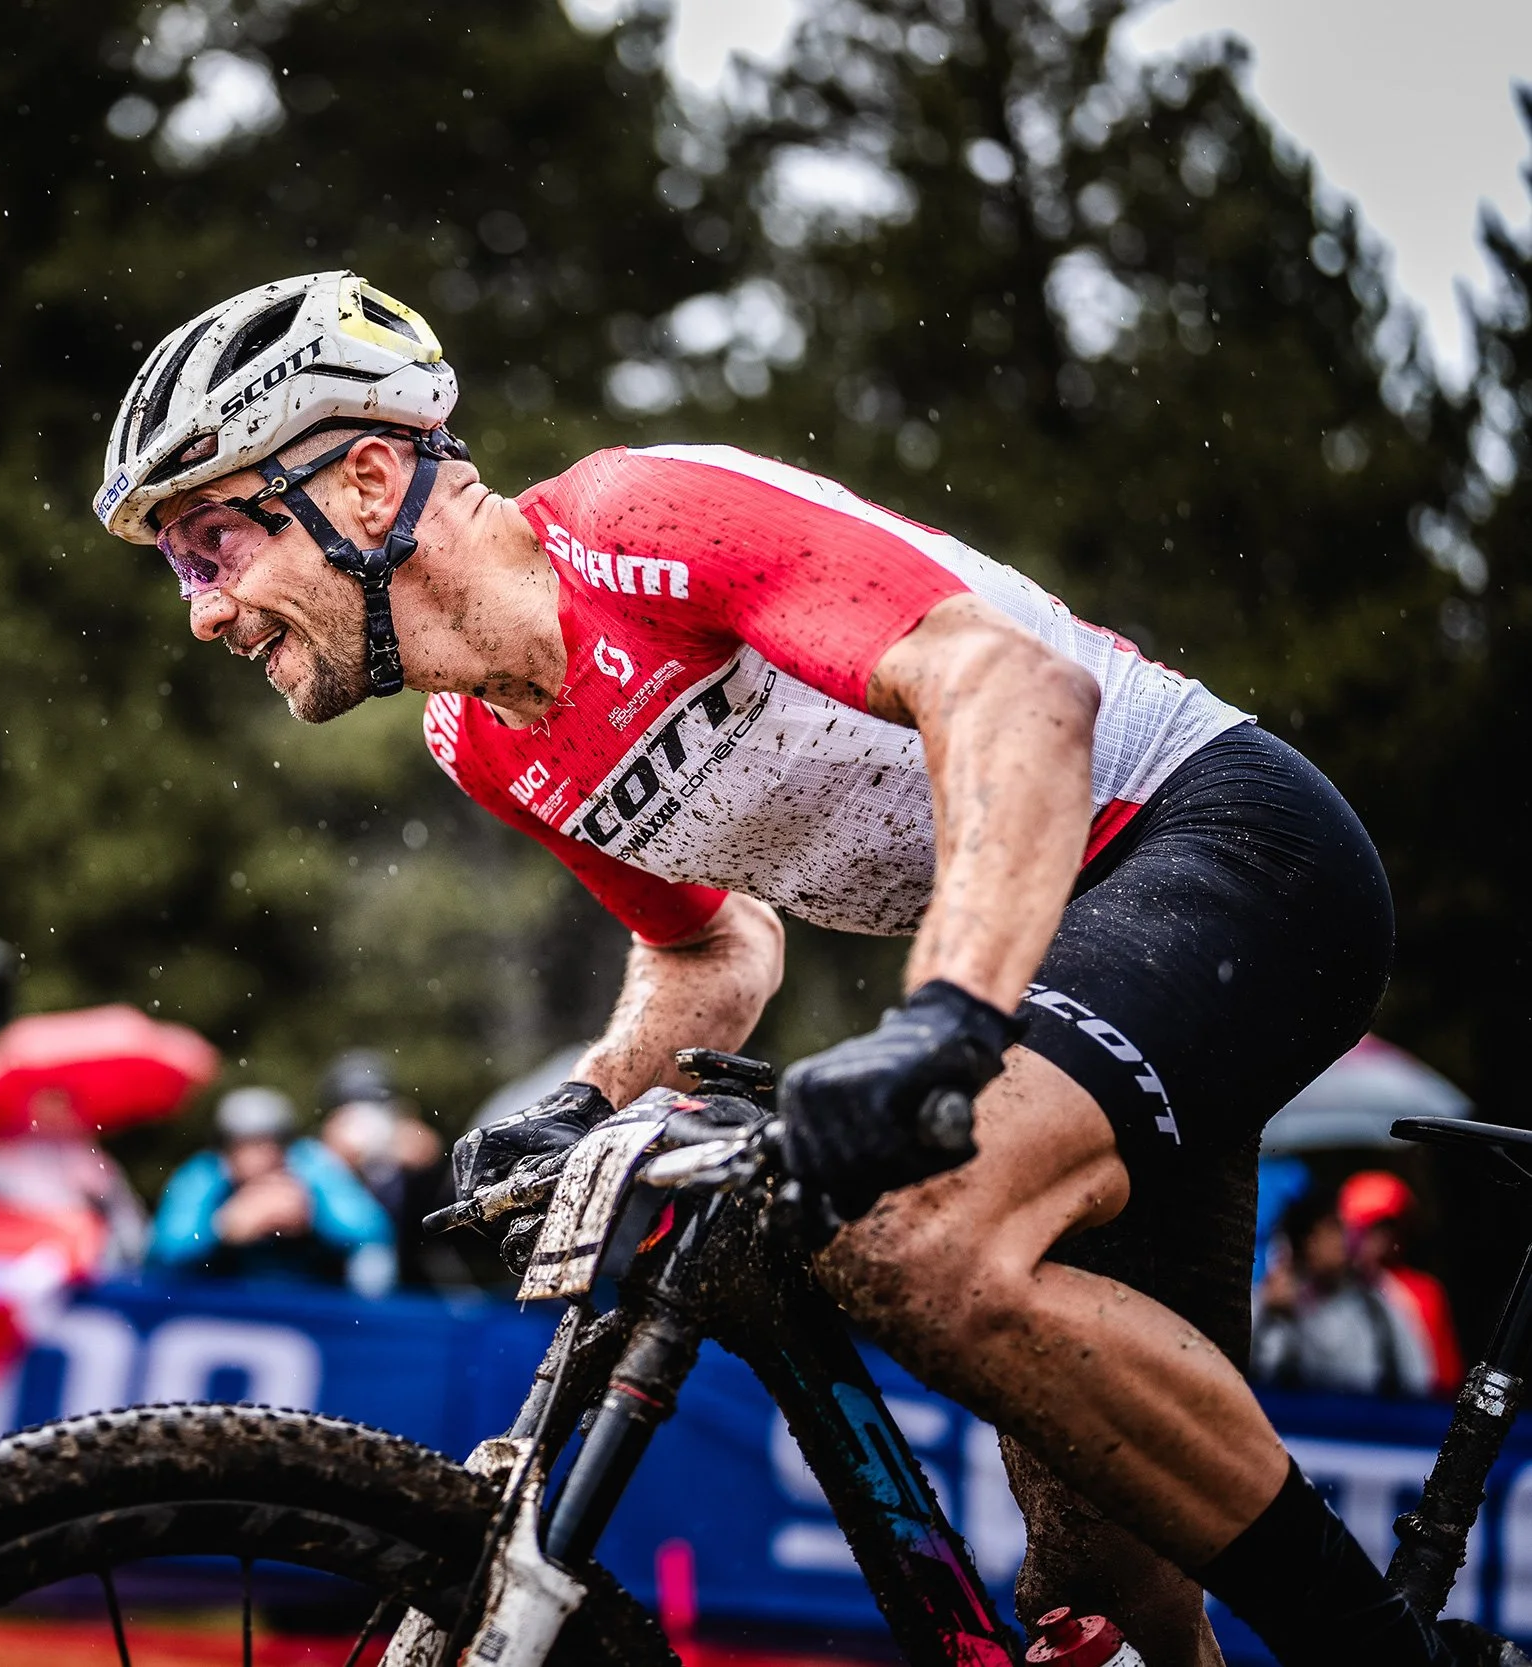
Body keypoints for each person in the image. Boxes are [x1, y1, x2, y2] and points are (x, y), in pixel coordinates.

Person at [93, 272, 1491, 1664]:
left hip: (1225, 850)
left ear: (367, 477)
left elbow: (1013, 688)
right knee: (1095, 1602)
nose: (205, 610)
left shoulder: (634, 520)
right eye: (181, 565)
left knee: (907, 1235)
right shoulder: (482, 739)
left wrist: (945, 1016)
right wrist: (586, 1093)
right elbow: (707, 941)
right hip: (1071, 959)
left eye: (214, 544)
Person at [148, 1086, 395, 1294]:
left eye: (268, 1144)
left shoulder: (311, 1166)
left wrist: (313, 1215)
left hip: (310, 1302)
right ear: (226, 1149)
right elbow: (164, 1251)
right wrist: (223, 1228)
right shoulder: (204, 1175)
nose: (259, 1158)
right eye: (245, 1145)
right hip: (219, 1303)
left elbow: (370, 1232)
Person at [1253, 1189, 1434, 1397]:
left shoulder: (1377, 1308)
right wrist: (1269, 1311)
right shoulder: (1270, 1306)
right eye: (1327, 1230)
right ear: (1302, 1242)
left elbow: (1418, 1379)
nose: (1338, 1240)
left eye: (1338, 1229)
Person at [0, 1087, 151, 1271]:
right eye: (47, 1103)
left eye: (62, 1104)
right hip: (11, 1261)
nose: (54, 1114)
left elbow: (129, 1226)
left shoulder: (94, 1163)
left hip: (88, 1268)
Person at [314, 1049, 455, 1286]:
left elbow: (446, 1222)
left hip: (408, 1293)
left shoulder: (408, 1163)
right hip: (331, 1294)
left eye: (375, 1112)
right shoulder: (314, 1163)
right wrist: (335, 1165)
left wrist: (434, 1162)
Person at [1342, 1169, 1463, 1395]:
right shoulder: (1327, 1288)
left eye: (1384, 1228)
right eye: (1363, 1228)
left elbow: (1444, 1378)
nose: (1373, 1239)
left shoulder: (1424, 1291)